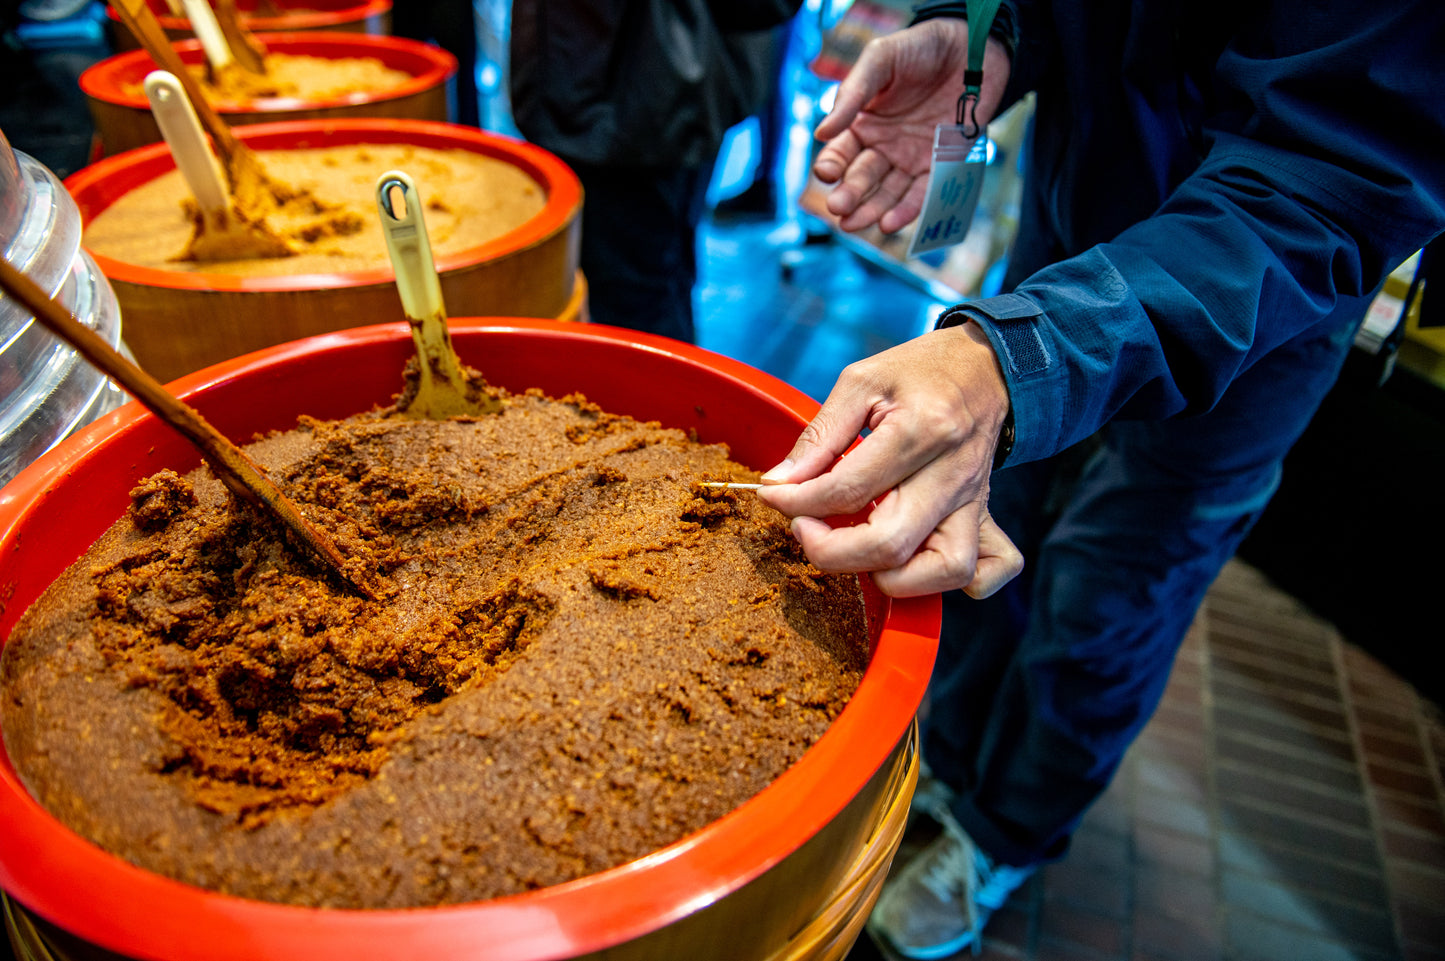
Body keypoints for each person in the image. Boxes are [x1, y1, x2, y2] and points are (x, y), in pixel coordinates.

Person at [754, 1, 1445, 957]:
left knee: (1112, 592)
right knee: (993, 529)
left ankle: (1003, 836)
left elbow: (1342, 164)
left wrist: (1018, 359)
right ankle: (944, 763)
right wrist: (986, 36)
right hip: (1069, 219)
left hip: (1257, 302)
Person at [508, 0, 802, 343]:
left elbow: (765, 9)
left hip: (644, 104)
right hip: (607, 90)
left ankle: (661, 391)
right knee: (646, 282)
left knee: (638, 300)